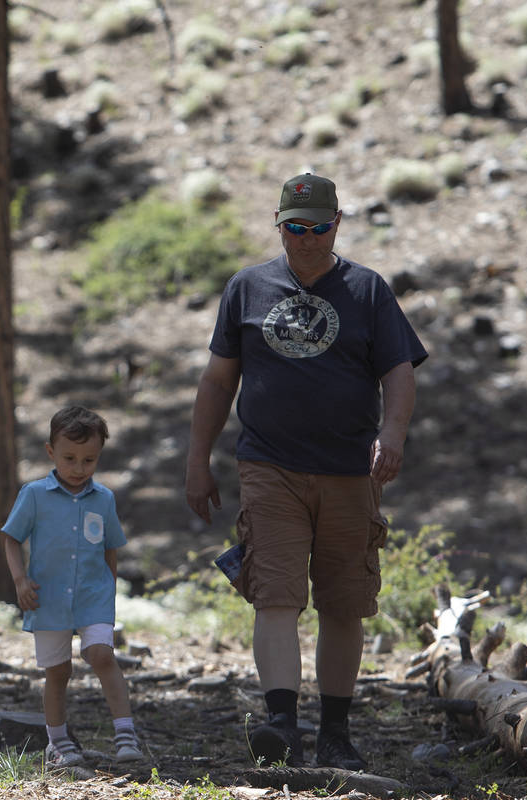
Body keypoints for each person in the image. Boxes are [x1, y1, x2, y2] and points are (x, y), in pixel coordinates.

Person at [184, 173, 427, 770]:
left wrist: (392, 435)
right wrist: (197, 461)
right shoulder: (247, 288)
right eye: (295, 227)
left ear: (337, 223)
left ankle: (335, 734)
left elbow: (399, 371)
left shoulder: (367, 290)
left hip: (350, 470)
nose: (306, 239)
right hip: (269, 467)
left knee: (343, 602)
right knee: (275, 595)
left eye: (318, 227)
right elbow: (218, 381)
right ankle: (282, 727)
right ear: (279, 225)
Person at [2, 406, 143, 768]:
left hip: (93, 596)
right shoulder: (34, 495)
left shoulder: (104, 499)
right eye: (69, 459)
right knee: (58, 672)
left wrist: (109, 592)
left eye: (89, 460)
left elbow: (110, 547)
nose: (79, 468)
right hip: (47, 598)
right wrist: (20, 580)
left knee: (102, 655)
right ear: (50, 452)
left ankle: (126, 734)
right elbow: (11, 539)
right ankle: (58, 742)